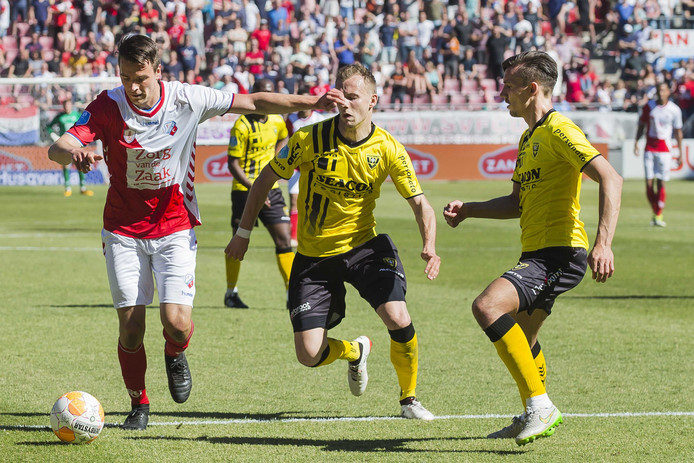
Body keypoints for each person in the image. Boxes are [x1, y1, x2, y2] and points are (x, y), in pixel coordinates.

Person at [48, 34, 340, 431]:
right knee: (131, 326)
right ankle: (139, 403)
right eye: (126, 76)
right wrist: (75, 152)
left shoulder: (187, 99)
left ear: (158, 71)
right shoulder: (107, 105)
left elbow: (253, 102)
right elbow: (59, 147)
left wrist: (312, 102)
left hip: (174, 227)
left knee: (178, 322)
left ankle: (175, 352)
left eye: (141, 78)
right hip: (122, 229)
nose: (133, 86)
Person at [226, 63, 441, 420]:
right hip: (314, 255)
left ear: (373, 101)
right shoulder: (308, 139)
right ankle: (355, 352)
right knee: (309, 354)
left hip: (365, 247)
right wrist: (243, 234)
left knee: (396, 315)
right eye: (340, 95)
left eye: (353, 97)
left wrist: (429, 245)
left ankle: (409, 399)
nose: (344, 103)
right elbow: (264, 181)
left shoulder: (388, 149)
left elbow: (420, 203)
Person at [443, 51, 622, 445]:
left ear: (532, 88)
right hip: (537, 253)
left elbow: (611, 177)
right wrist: (469, 209)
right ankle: (532, 410)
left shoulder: (560, 130)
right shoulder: (528, 138)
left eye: (509, 86)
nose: (502, 92)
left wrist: (603, 243)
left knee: (487, 305)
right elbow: (515, 203)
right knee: (524, 337)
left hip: (561, 252)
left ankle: (540, 406)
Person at [224, 79, 292, 309]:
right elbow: (233, 164)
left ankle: (291, 293)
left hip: (271, 190)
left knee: (284, 238)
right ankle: (231, 292)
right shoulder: (242, 125)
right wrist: (255, 188)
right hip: (245, 191)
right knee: (238, 241)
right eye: (265, 94)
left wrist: (278, 154)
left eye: (272, 94)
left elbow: (284, 136)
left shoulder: (277, 120)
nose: (270, 99)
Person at [285, 84, 329, 248]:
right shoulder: (291, 119)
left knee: (317, 201)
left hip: (316, 168)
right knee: (294, 200)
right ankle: (294, 236)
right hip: (296, 168)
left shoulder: (320, 119)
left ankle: (318, 233)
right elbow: (286, 141)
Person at [634, 81, 683, 227]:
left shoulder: (674, 110)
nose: (660, 93)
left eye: (663, 90)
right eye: (658, 90)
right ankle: (656, 212)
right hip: (649, 148)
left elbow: (678, 131)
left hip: (665, 150)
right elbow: (641, 125)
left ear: (669, 92)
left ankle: (658, 214)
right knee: (649, 183)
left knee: (661, 181)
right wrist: (636, 141)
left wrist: (680, 151)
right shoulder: (649, 107)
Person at [47, 99, 94, 197]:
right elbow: (49, 126)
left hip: (76, 144)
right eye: (65, 105)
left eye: (68, 105)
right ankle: (68, 188)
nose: (66, 107)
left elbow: (84, 126)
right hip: (64, 145)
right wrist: (54, 136)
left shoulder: (76, 115)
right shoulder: (60, 117)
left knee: (80, 163)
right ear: (63, 106)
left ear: (71, 106)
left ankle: (83, 188)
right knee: (65, 165)